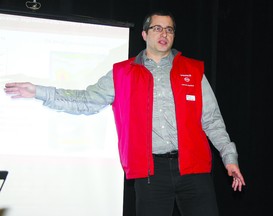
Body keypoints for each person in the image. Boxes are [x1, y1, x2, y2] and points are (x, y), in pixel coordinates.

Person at [4, 10, 245, 216]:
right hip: (151, 172)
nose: (164, 34)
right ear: (145, 34)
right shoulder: (122, 73)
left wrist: (229, 158)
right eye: (157, 28)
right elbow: (87, 101)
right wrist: (39, 91)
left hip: (194, 169)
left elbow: (212, 120)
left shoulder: (192, 71)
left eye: (169, 30)